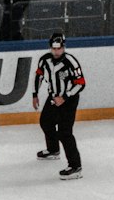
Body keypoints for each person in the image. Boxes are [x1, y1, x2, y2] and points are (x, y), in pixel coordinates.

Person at [33, 31, 85, 179]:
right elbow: (39, 76)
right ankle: (53, 150)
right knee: (45, 122)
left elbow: (81, 83)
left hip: (69, 100)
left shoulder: (71, 62)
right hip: (53, 98)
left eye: (59, 48)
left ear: (63, 47)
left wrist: (65, 96)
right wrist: (34, 94)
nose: (56, 51)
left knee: (65, 132)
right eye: (54, 48)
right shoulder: (44, 60)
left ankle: (76, 166)